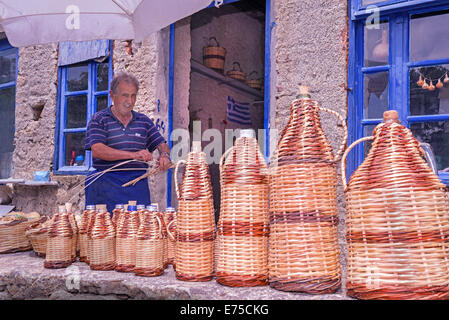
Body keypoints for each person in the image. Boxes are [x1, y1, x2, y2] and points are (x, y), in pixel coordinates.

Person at [85, 71, 171, 214]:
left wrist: (164, 155)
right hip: (105, 184)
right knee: (103, 230)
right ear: (112, 95)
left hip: (136, 186)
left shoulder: (143, 122)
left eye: (133, 96)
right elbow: (98, 150)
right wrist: (133, 155)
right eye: (125, 95)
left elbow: (162, 145)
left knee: (137, 230)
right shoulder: (99, 119)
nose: (129, 101)